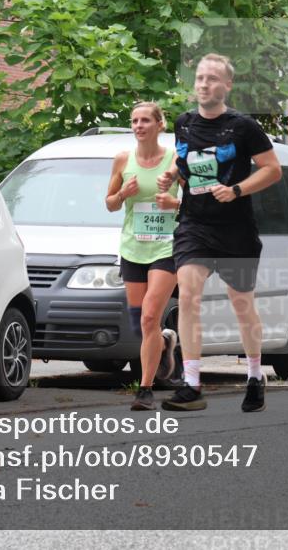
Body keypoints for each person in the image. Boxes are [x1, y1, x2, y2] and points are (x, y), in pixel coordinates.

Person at [156, 53, 282, 412]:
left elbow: (272, 170)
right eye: (199, 78)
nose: (203, 85)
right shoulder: (184, 123)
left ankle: (256, 376)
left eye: (212, 79)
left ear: (226, 85)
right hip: (194, 225)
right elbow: (187, 168)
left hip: (236, 230)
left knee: (242, 305)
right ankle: (192, 384)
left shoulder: (243, 127)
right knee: (190, 293)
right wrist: (172, 177)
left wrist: (237, 189)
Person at [106, 102, 181, 410]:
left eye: (145, 120)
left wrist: (173, 205)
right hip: (133, 247)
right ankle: (164, 343)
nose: (138, 125)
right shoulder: (123, 160)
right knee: (142, 324)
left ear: (159, 125)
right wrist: (124, 194)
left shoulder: (175, 159)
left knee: (151, 315)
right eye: (134, 120)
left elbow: (198, 202)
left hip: (166, 247)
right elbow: (109, 203)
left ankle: (145, 390)